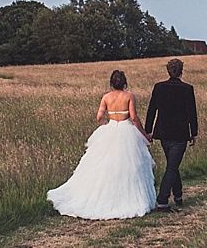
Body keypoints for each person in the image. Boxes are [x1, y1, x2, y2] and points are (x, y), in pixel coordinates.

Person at [46, 70, 156, 219]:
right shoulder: (129, 96)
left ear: (111, 83)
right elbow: (134, 118)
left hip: (110, 129)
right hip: (126, 130)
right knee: (130, 166)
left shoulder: (106, 97)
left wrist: (107, 124)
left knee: (103, 165)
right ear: (124, 82)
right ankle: (128, 197)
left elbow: (99, 117)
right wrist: (145, 134)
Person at [144, 58, 198, 211]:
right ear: (181, 71)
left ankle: (179, 195)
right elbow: (192, 113)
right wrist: (194, 132)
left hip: (163, 132)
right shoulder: (187, 89)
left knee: (172, 165)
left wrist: (149, 130)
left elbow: (152, 109)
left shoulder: (159, 87)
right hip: (180, 133)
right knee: (172, 166)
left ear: (168, 70)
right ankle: (162, 200)